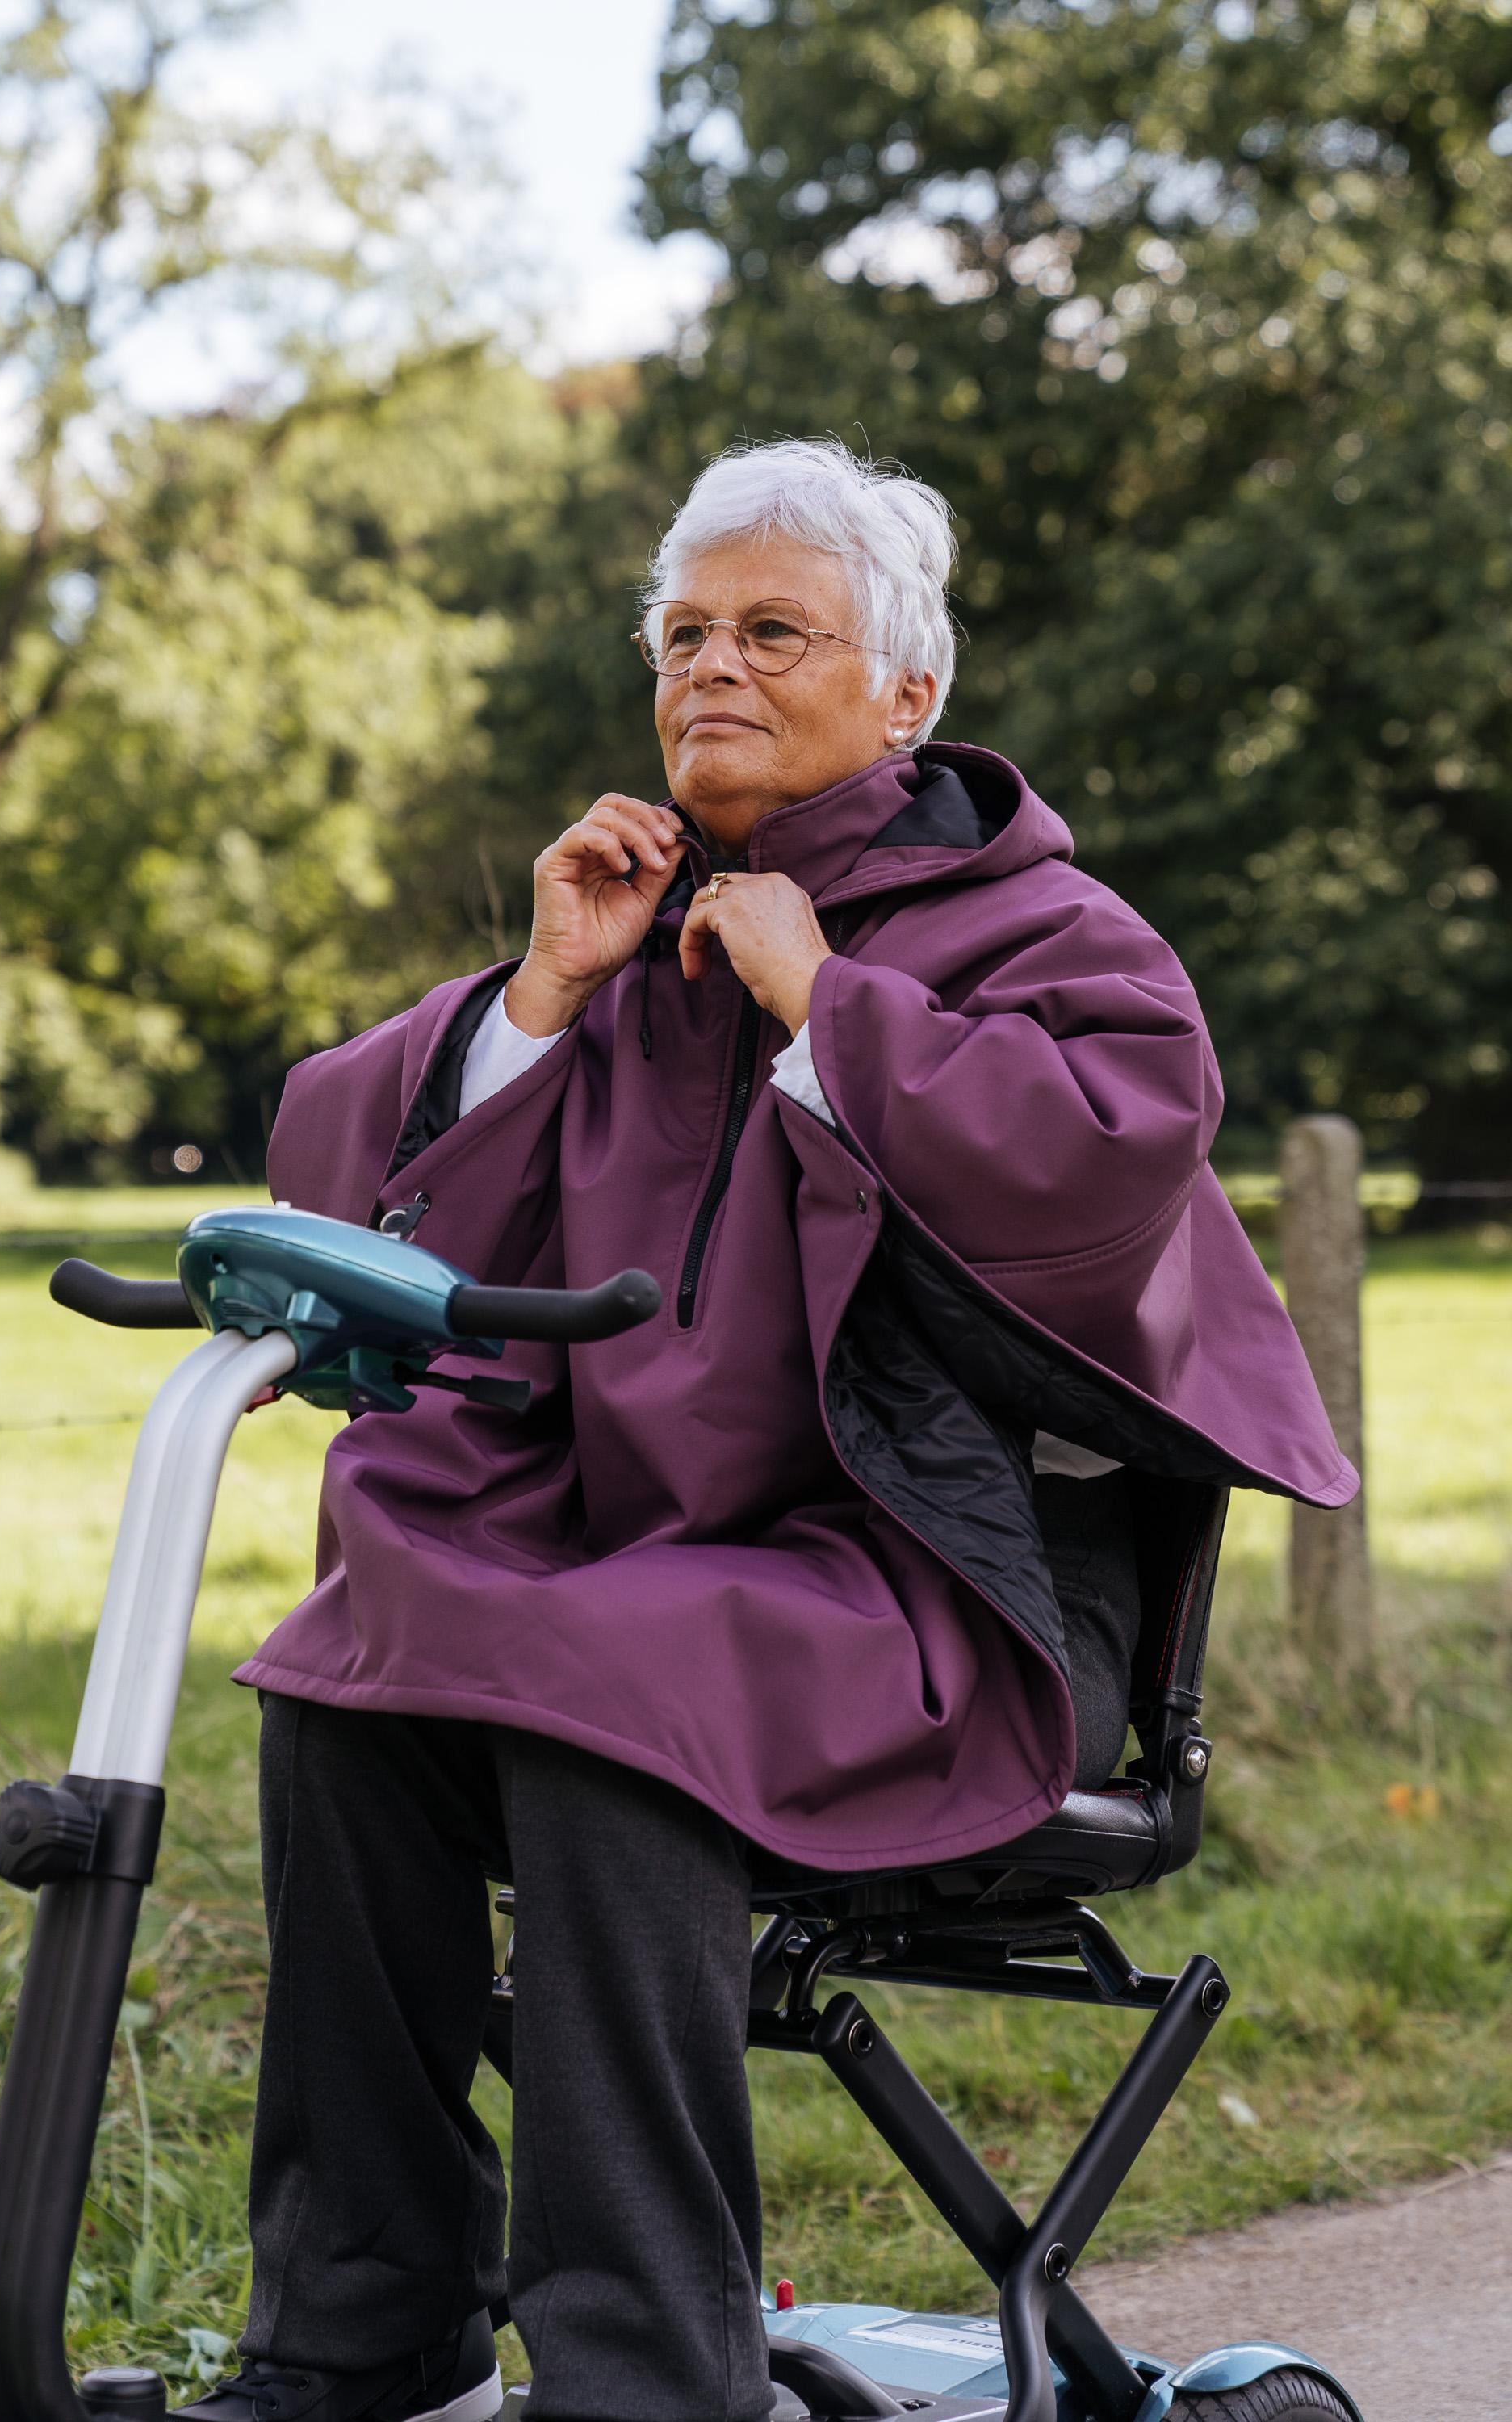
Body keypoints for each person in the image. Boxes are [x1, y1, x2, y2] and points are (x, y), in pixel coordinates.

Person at [177, 439, 1355, 2422]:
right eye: (684, 634)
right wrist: (538, 997)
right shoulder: (631, 940)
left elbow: (1098, 1175)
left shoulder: (1045, 934)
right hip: (646, 1575)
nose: (710, 666)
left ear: (906, 693)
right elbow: (359, 1192)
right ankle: (359, 2342)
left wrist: (833, 1006)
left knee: (606, 1680)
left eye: (771, 633)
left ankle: (644, 2385)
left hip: (955, 1598)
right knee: (347, 1685)